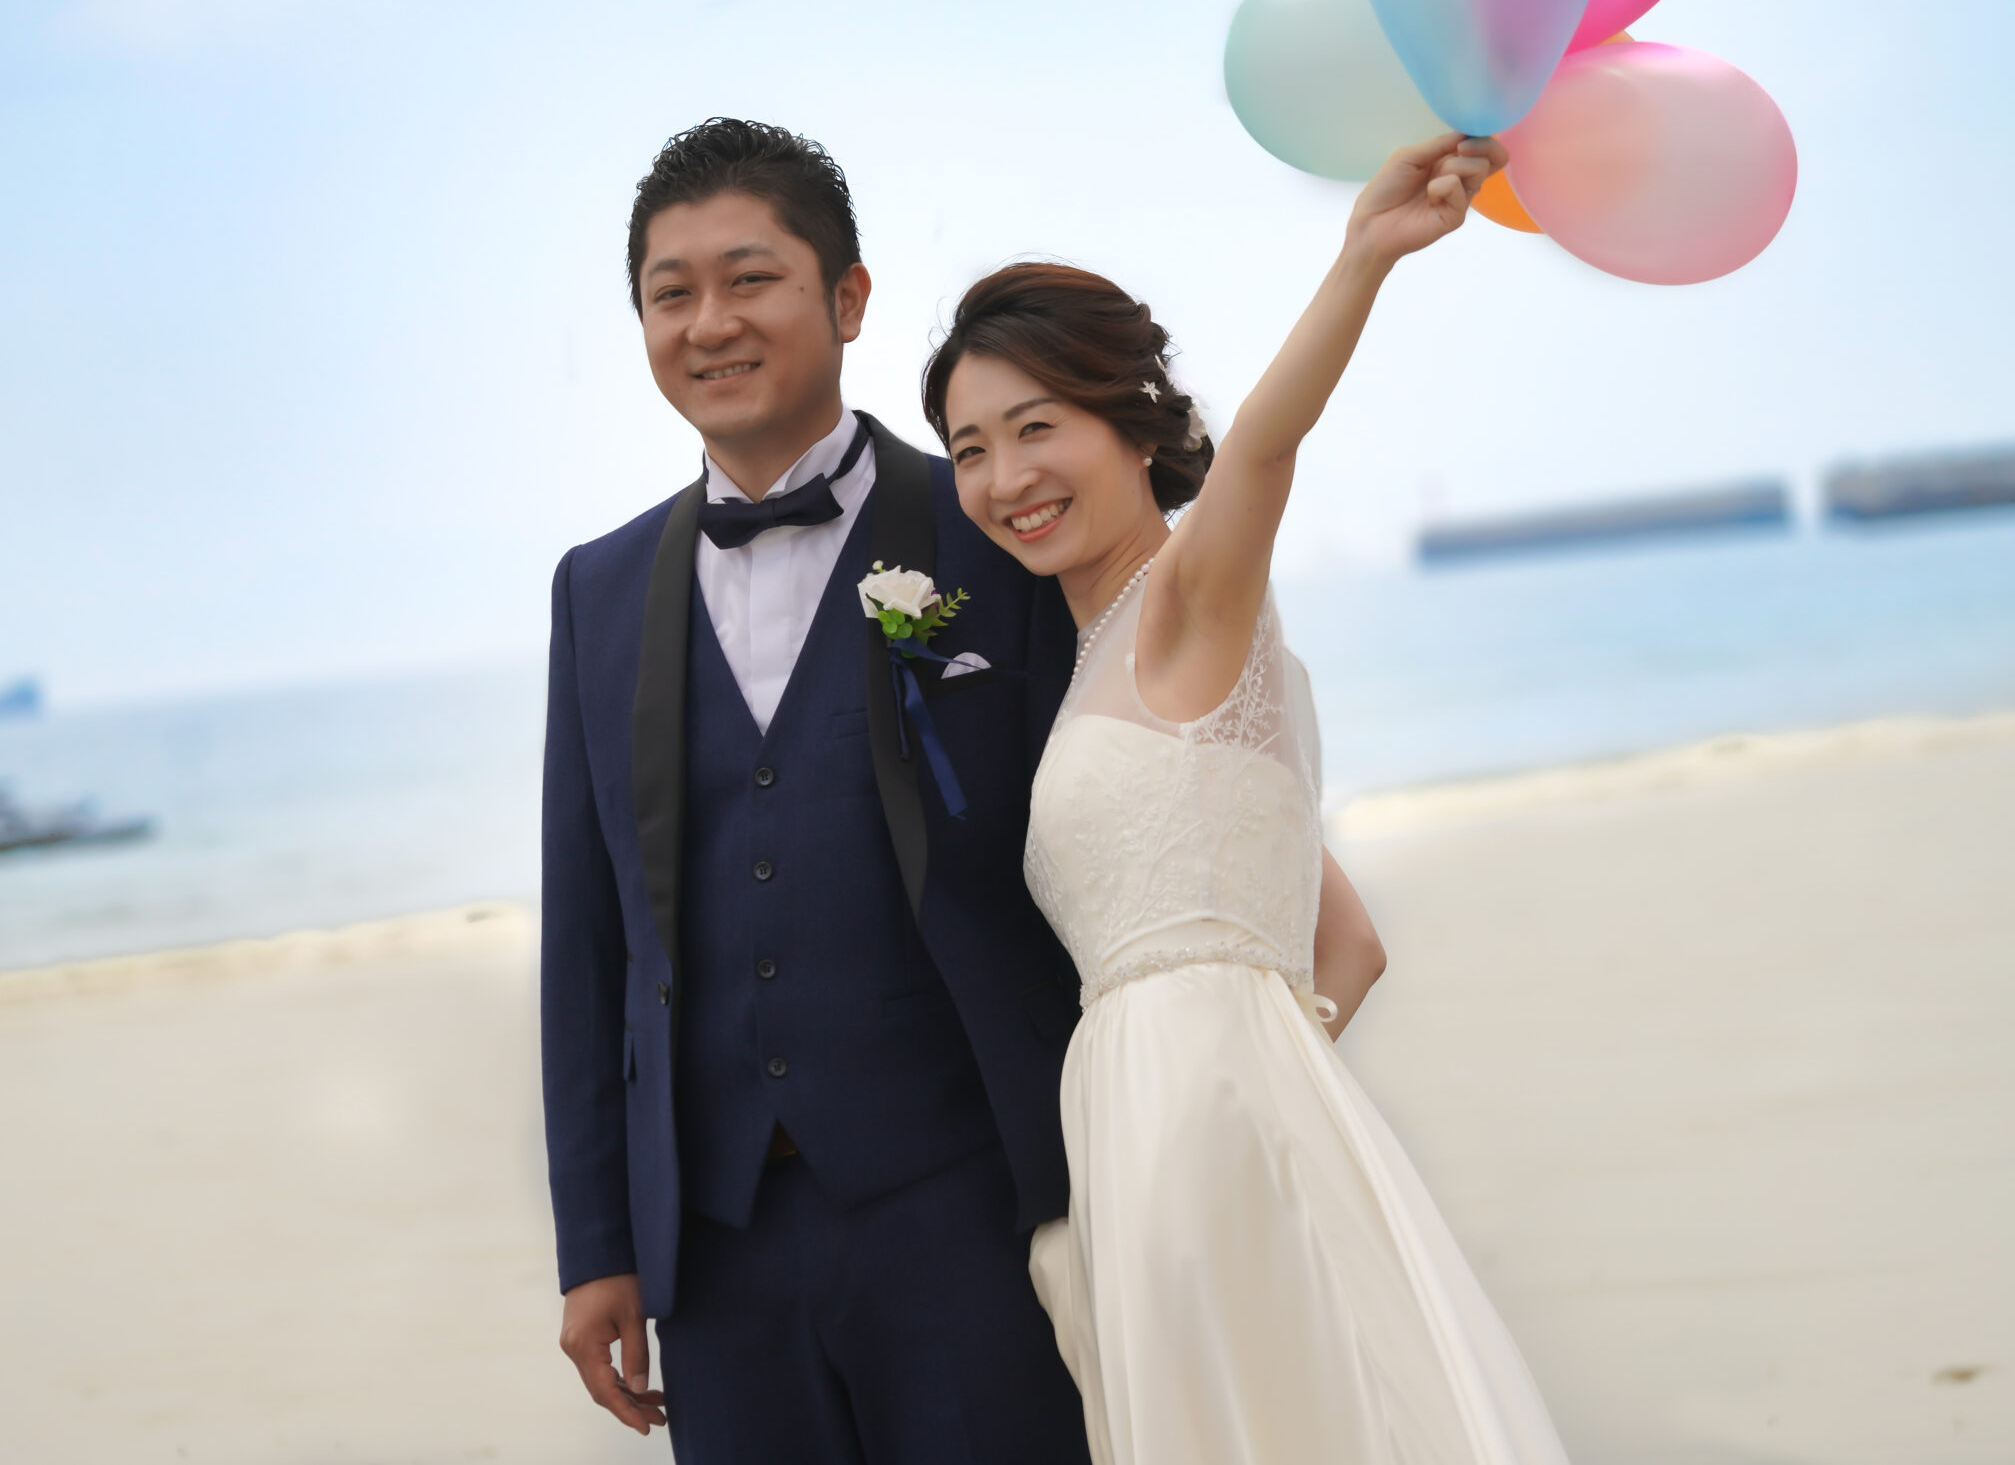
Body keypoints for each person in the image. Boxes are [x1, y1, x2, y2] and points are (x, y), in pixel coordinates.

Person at [539, 117, 1387, 1462]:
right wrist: (597, 1244)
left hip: (974, 1213)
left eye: (751, 279)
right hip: (715, 1251)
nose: (710, 323)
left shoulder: (1003, 530)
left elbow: (1178, 819)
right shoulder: (596, 590)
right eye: (670, 293)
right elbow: (589, 938)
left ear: (847, 297)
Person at [926, 132, 1573, 1464]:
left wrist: (1364, 257)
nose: (1004, 480)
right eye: (969, 448)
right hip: (1173, 1125)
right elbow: (1352, 943)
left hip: (1190, 1123)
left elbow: (1265, 450)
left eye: (1038, 429)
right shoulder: (1102, 663)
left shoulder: (1188, 601)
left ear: (1130, 423)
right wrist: (1273, 1078)